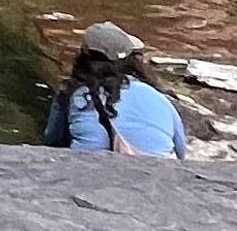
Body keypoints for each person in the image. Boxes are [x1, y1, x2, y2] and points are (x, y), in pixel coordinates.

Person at [46, 20, 187, 157]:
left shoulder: (77, 95)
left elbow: (52, 140)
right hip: (162, 172)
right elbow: (181, 150)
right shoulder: (157, 95)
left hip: (92, 170)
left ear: (83, 57)